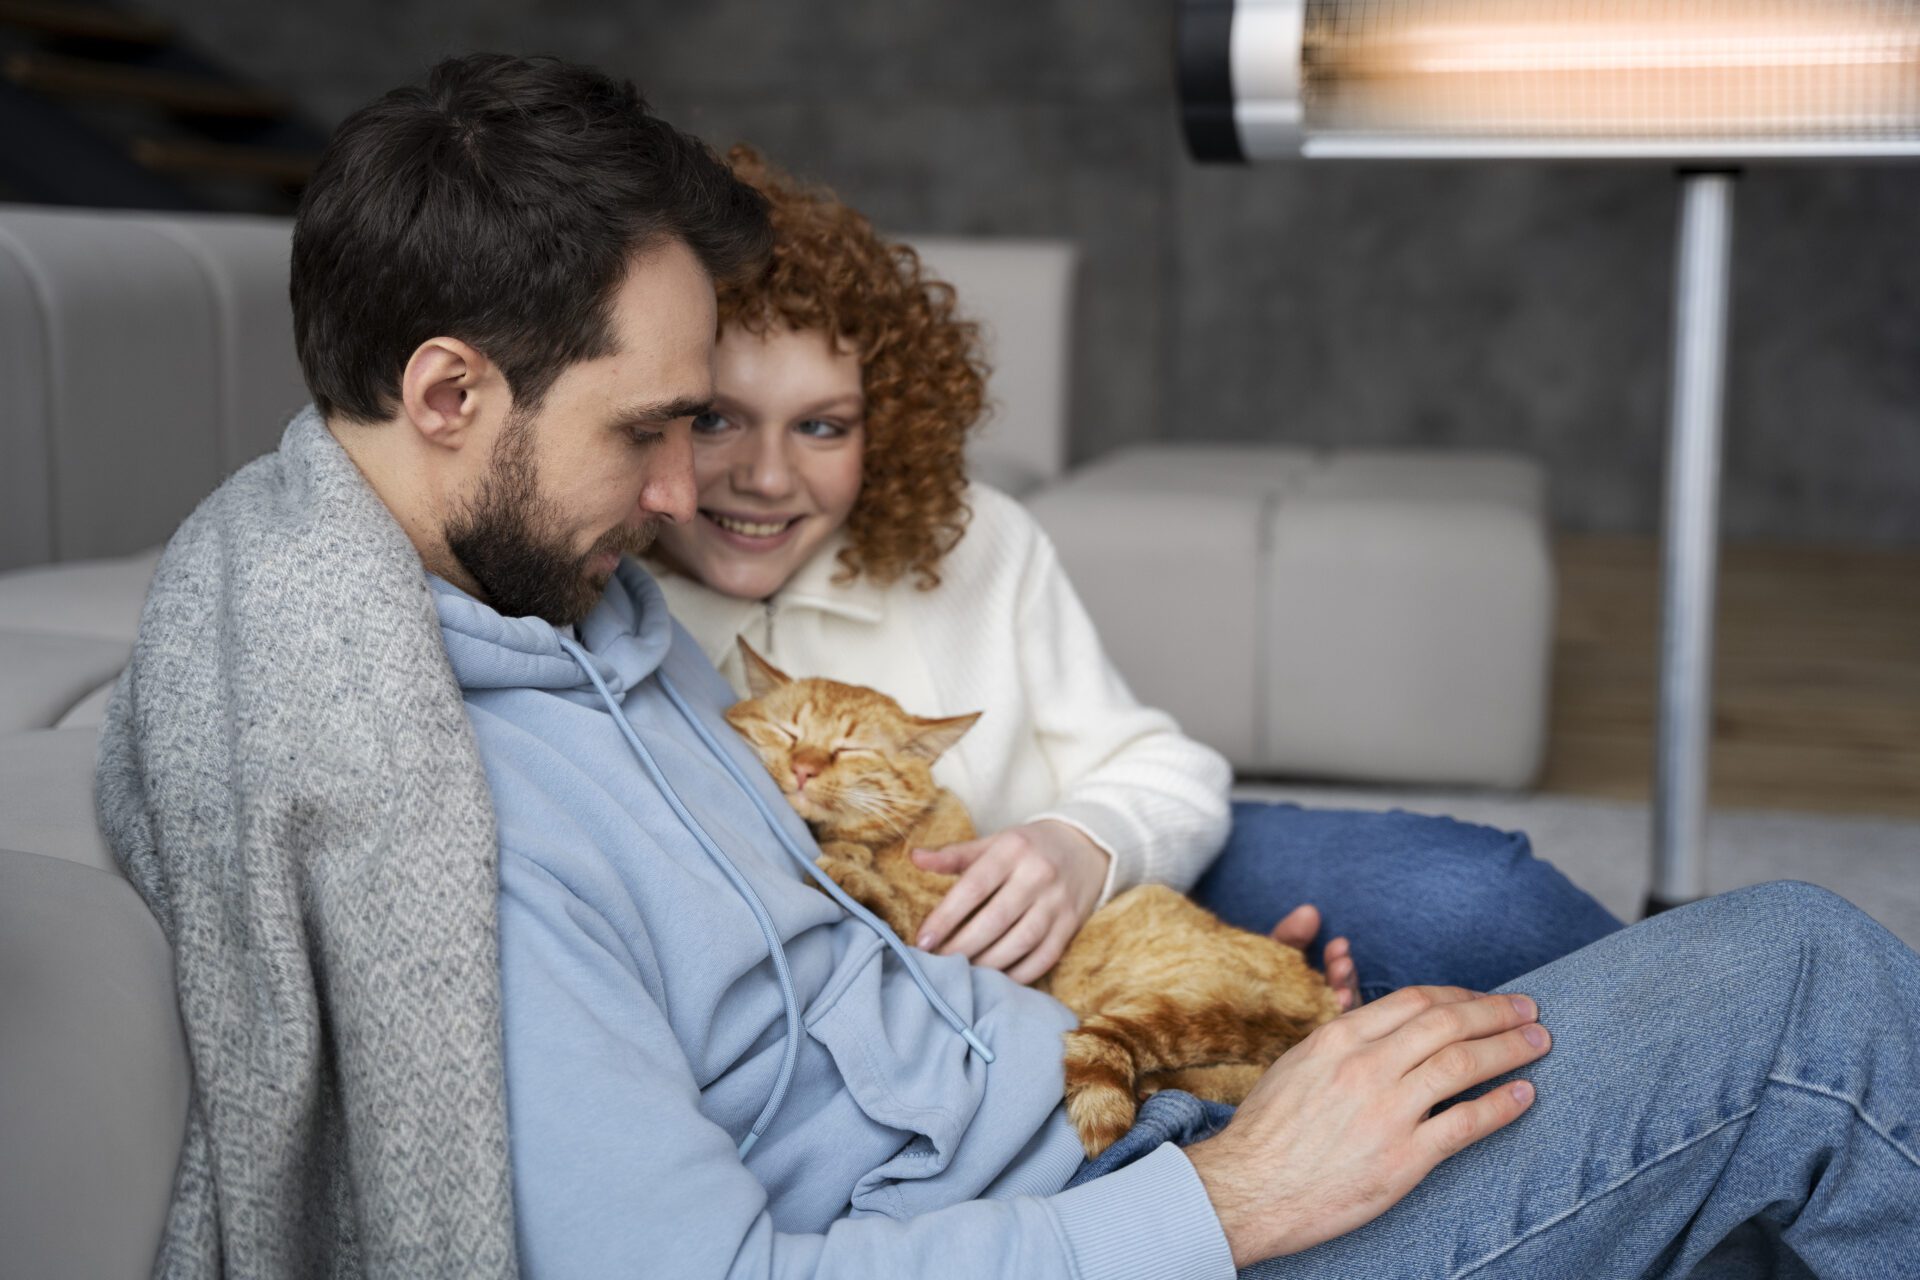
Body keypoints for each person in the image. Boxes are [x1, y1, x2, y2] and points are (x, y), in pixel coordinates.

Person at [97, 52, 1920, 1280]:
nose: (686, 491)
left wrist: (1178, 1014)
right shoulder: (424, 812)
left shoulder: (563, 619)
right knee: (1808, 987)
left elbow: (882, 945)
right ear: (445, 394)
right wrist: (1228, 1196)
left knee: (1523, 937)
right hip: (1137, 1221)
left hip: (1107, 1111)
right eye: (655, 429)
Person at [645, 148, 1621, 1004]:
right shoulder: (600, 604)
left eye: (823, 425)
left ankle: (1729, 1126)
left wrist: (1080, 848)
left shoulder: (972, 537)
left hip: (1115, 880)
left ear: (883, 427)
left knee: (1477, 897)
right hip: (971, 1001)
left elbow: (1167, 771)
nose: (768, 476)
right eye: (718, 417)